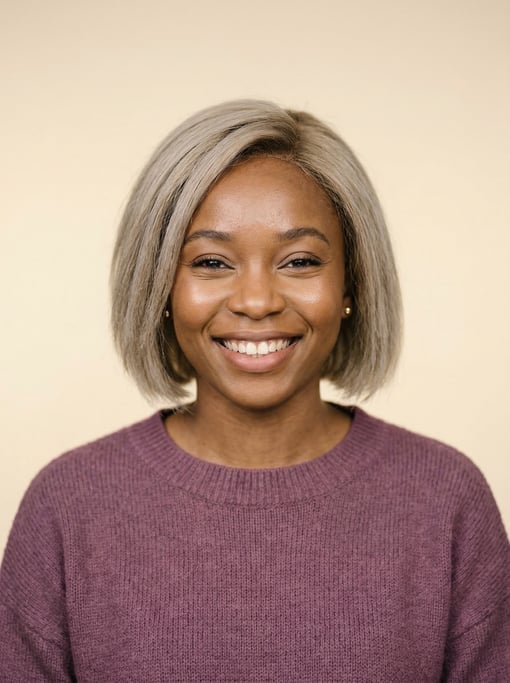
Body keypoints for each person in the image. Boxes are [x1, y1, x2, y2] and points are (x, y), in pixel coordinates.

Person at [0, 100, 508, 682]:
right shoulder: (68, 506)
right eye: (212, 261)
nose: (258, 300)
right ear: (161, 286)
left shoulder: (446, 501)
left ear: (352, 283)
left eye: (299, 261)